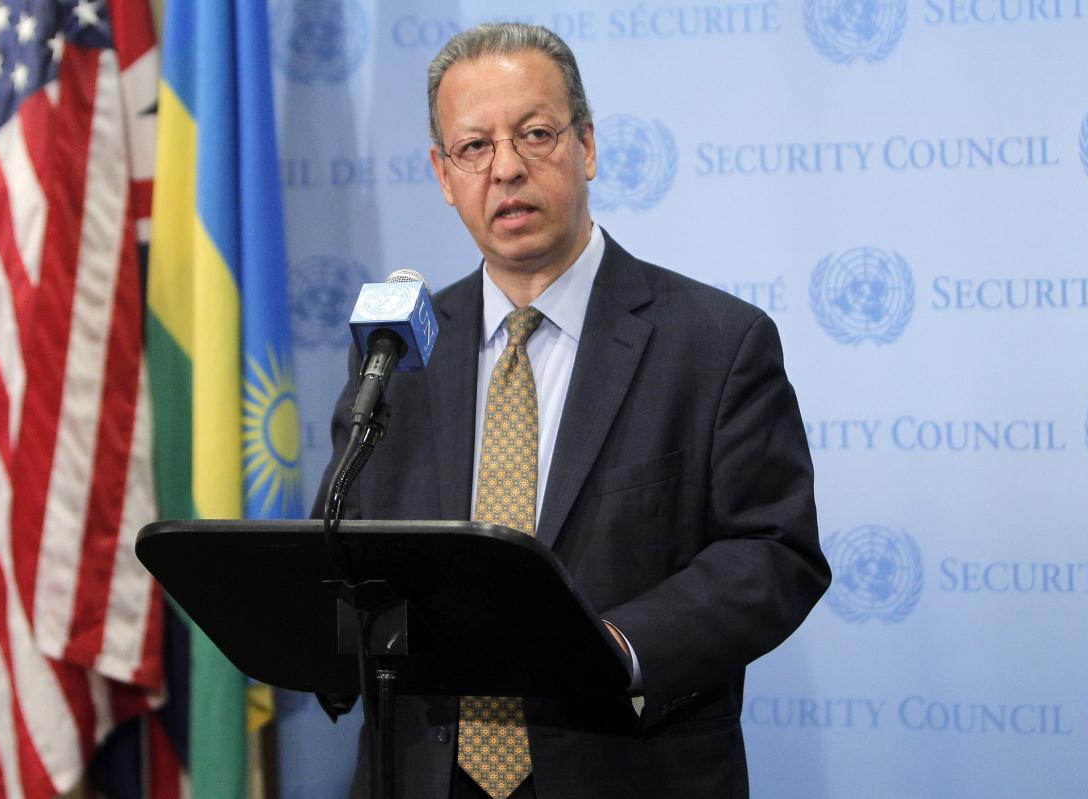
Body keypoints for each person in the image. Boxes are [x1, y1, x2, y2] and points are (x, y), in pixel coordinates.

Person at [315, 22, 829, 799]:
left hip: (628, 766)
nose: (508, 169)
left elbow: (773, 551)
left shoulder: (715, 343)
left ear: (586, 146)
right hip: (422, 774)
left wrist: (618, 646)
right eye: (474, 147)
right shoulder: (397, 353)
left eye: (536, 134)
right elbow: (345, 544)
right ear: (443, 174)